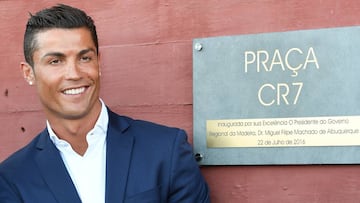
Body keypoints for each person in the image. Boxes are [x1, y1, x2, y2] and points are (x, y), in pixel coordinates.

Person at [0, 4, 210, 203]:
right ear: (29, 73)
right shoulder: (13, 178)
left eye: (84, 58)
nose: (74, 74)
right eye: (55, 61)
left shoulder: (166, 150)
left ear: (98, 63)